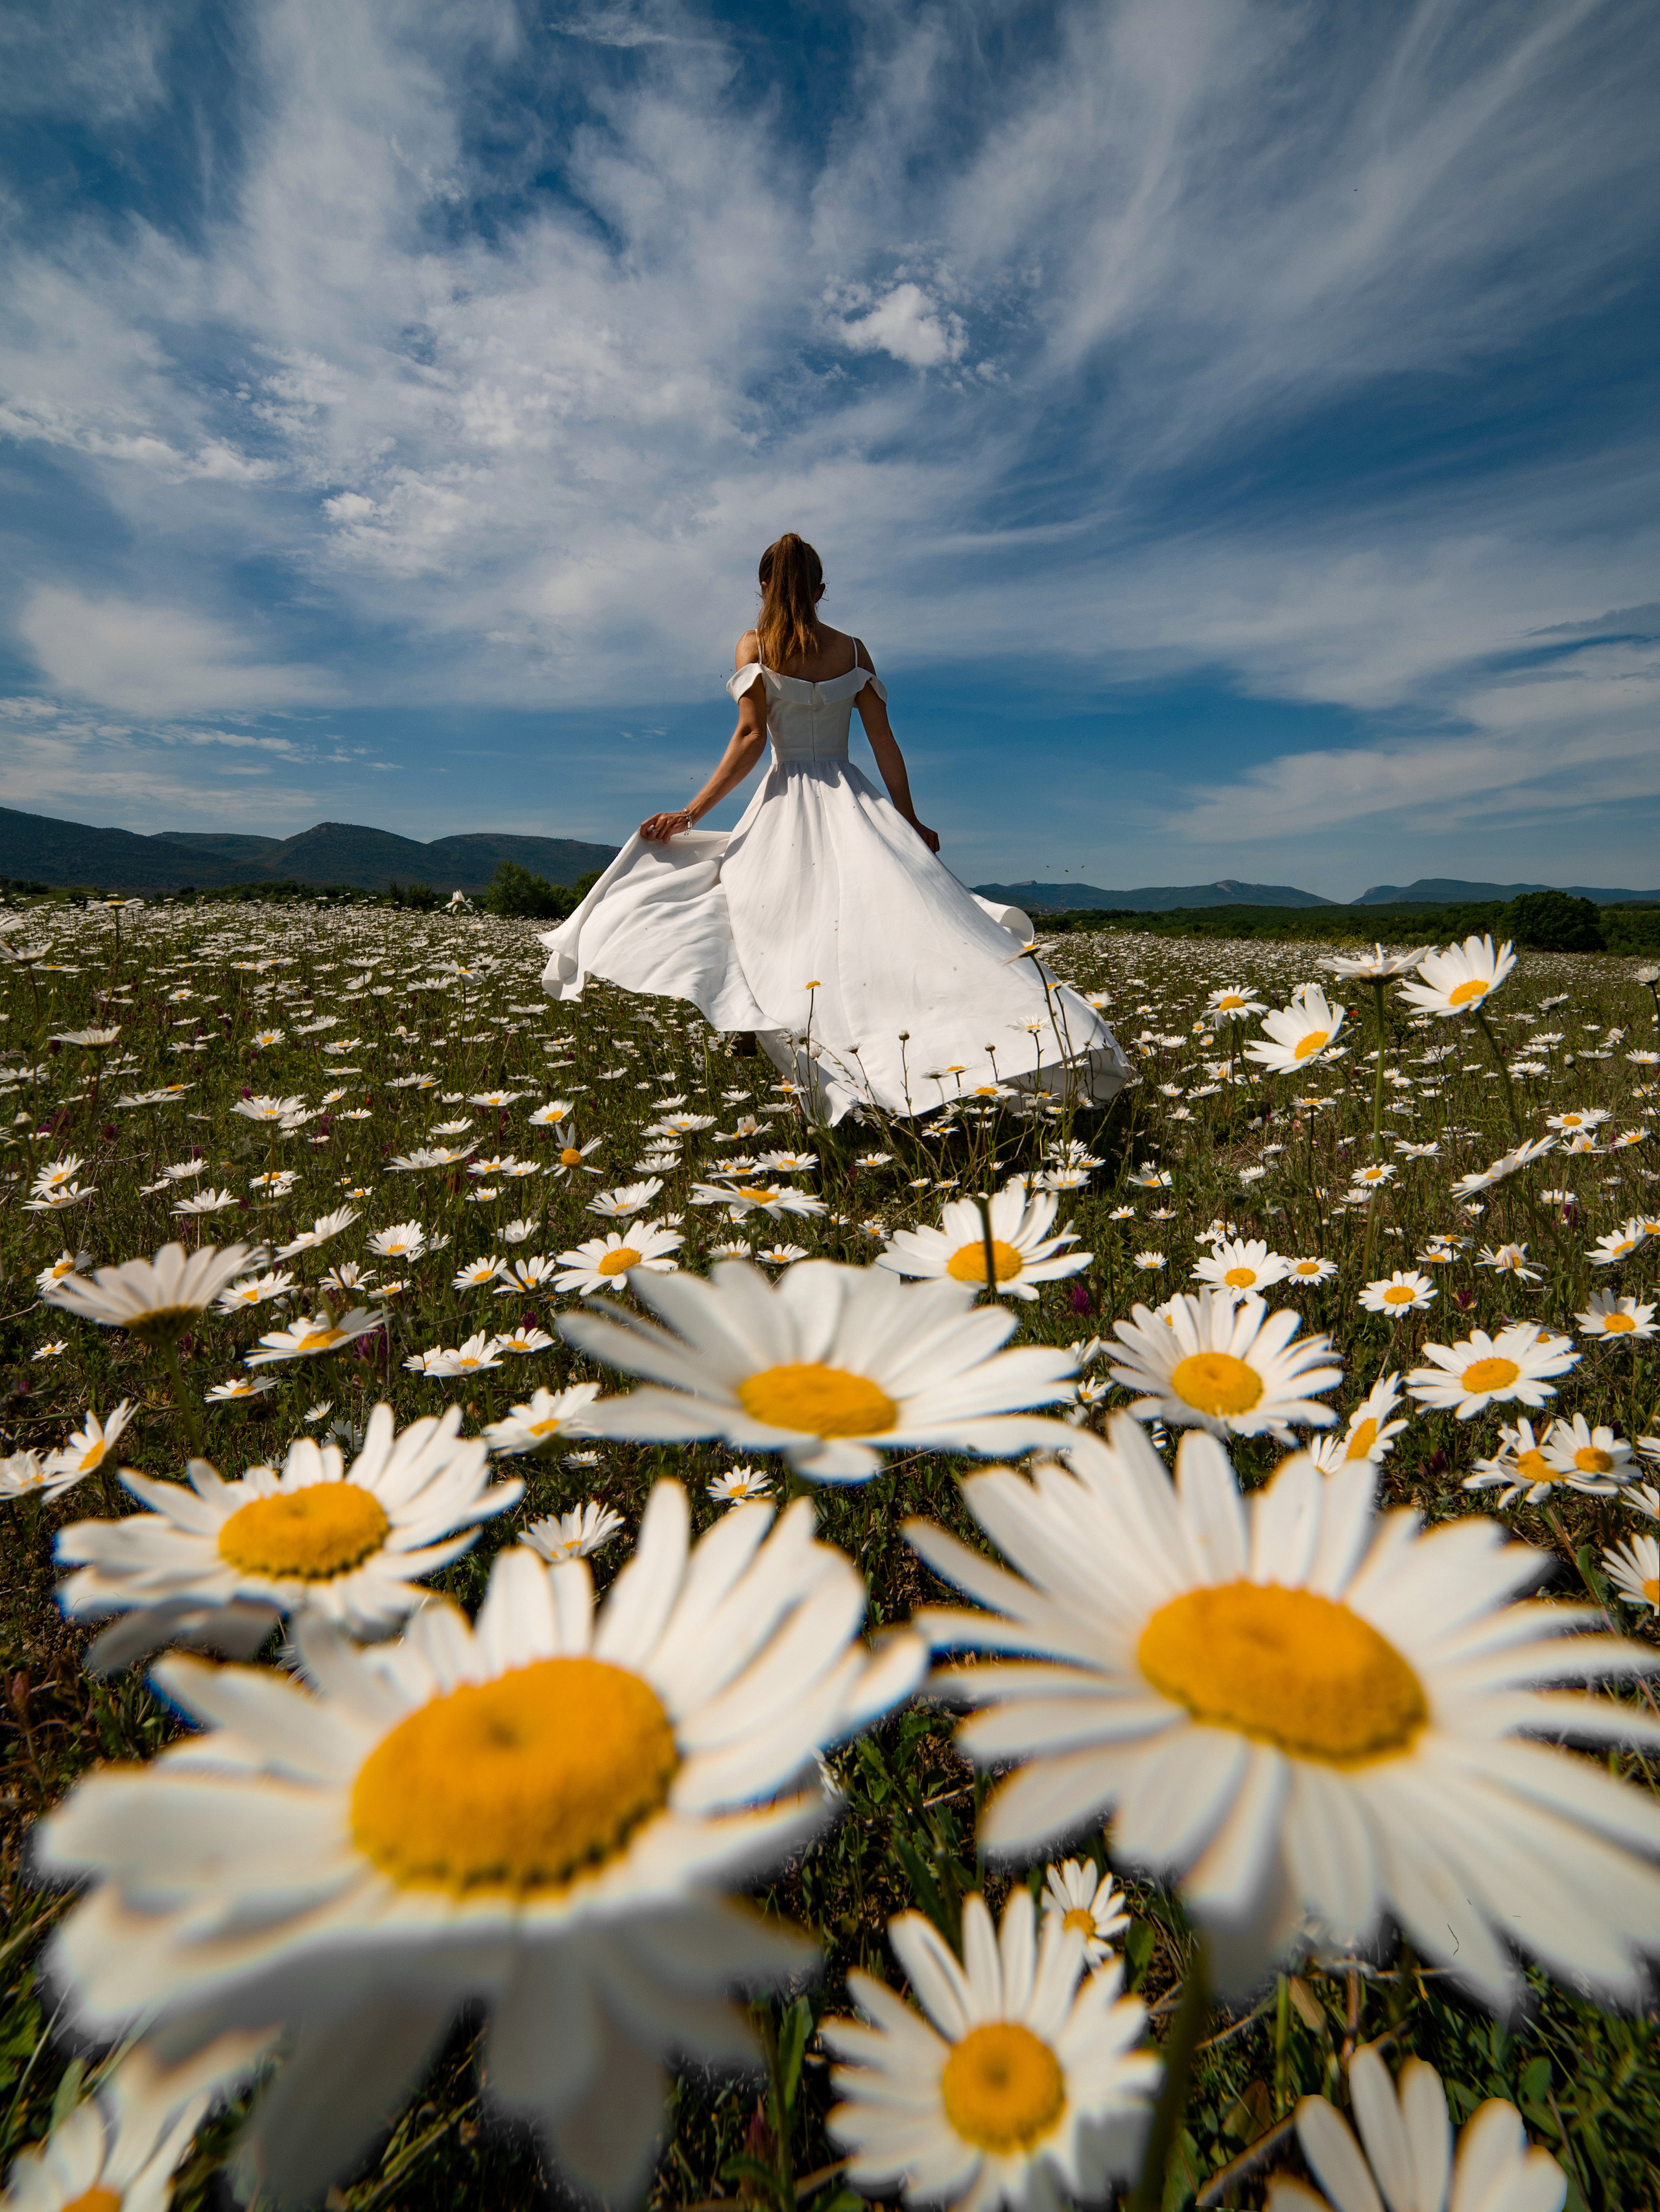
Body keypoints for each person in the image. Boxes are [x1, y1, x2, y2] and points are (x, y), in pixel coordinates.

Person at [538, 534, 1129, 1122]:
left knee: (755, 913)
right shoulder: (853, 651)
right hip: (853, 800)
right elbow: (884, 742)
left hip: (785, 802)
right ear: (821, 590)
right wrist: (908, 818)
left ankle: (768, 1029)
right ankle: (922, 1045)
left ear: (764, 585)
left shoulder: (755, 645)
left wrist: (690, 814)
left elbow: (750, 738)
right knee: (888, 927)